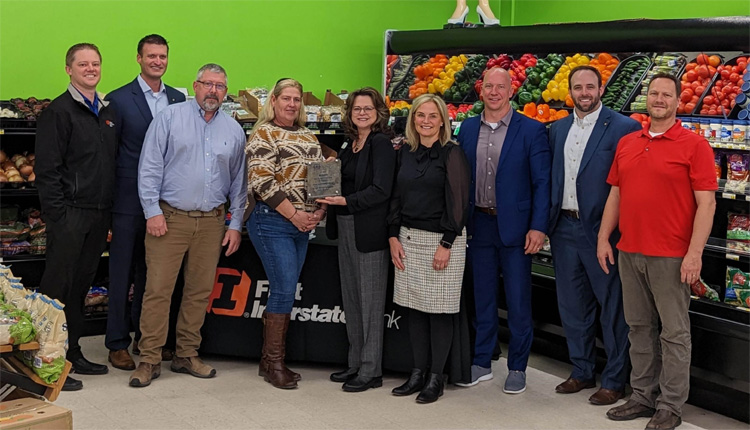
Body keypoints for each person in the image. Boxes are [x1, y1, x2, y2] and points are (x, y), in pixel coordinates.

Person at [599, 73, 717, 430]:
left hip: (671, 256)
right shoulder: (628, 142)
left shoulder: (694, 146)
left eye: (667, 94)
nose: (659, 99)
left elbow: (707, 204)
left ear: (677, 101)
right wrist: (604, 237)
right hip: (630, 251)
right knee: (639, 328)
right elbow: (616, 194)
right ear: (646, 99)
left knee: (674, 332)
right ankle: (641, 395)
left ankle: (671, 405)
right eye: (654, 93)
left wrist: (695, 254)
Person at [130, 63, 247, 387]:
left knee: (198, 293)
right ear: (195, 86)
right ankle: (150, 359)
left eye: (220, 86)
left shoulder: (233, 130)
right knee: (157, 291)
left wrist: (235, 224)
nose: (213, 91)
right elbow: (150, 166)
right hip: (170, 219)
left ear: (226, 92)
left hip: (211, 223)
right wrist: (151, 211)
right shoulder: (170, 118)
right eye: (207, 84)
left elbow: (239, 182)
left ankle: (186, 354)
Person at [547, 65, 640, 405]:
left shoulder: (623, 127)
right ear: (569, 91)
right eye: (577, 87)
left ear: (601, 89)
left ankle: (615, 380)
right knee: (572, 306)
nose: (583, 93)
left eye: (590, 86)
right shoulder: (557, 129)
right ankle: (582, 371)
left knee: (612, 307)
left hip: (603, 232)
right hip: (563, 229)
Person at [455, 67, 550, 394]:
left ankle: (518, 367)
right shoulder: (467, 128)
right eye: (489, 87)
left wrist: (538, 227)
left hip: (517, 228)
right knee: (482, 297)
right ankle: (482, 360)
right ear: (481, 91)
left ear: (512, 90)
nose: (494, 92)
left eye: (501, 87)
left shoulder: (532, 131)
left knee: (519, 300)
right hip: (478, 224)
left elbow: (542, 182)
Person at [35, 43, 117, 391]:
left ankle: (72, 353)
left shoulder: (106, 112)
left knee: (81, 287)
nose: (90, 68)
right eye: (83, 64)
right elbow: (47, 171)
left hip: (98, 217)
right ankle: (44, 362)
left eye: (95, 63)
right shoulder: (59, 112)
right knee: (57, 289)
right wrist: (59, 216)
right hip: (70, 216)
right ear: (69, 69)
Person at [104, 34, 185, 371]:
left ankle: (147, 337)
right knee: (121, 273)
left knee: (155, 274)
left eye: (162, 56)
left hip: (166, 203)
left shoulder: (180, 99)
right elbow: (109, 155)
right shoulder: (118, 99)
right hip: (127, 201)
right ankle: (117, 343)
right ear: (138, 58)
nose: (157, 61)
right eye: (151, 56)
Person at [387, 94, 470, 404]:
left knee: (440, 312)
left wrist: (447, 242)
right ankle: (417, 373)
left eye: (432, 116)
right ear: (413, 119)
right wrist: (393, 235)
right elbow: (395, 196)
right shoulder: (404, 153)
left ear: (442, 121)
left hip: (443, 242)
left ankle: (436, 378)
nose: (425, 121)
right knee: (415, 311)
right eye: (420, 115)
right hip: (408, 239)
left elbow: (459, 202)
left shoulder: (452, 154)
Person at [245, 78, 326, 390]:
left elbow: (322, 180)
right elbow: (261, 183)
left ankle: (269, 361)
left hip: (302, 223)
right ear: (274, 101)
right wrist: (295, 216)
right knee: (283, 288)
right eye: (286, 99)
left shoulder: (308, 136)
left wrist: (318, 213)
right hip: (271, 221)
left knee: (286, 288)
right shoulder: (263, 134)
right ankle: (274, 362)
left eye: (296, 99)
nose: (292, 104)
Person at [320, 87, 397, 392]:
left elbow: (381, 190)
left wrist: (346, 202)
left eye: (367, 108)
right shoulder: (349, 143)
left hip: (369, 231)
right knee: (352, 299)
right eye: (356, 109)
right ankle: (355, 363)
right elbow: (339, 179)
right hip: (346, 227)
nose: (362, 113)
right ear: (349, 113)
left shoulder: (381, 144)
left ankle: (371, 369)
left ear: (378, 112)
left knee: (371, 303)